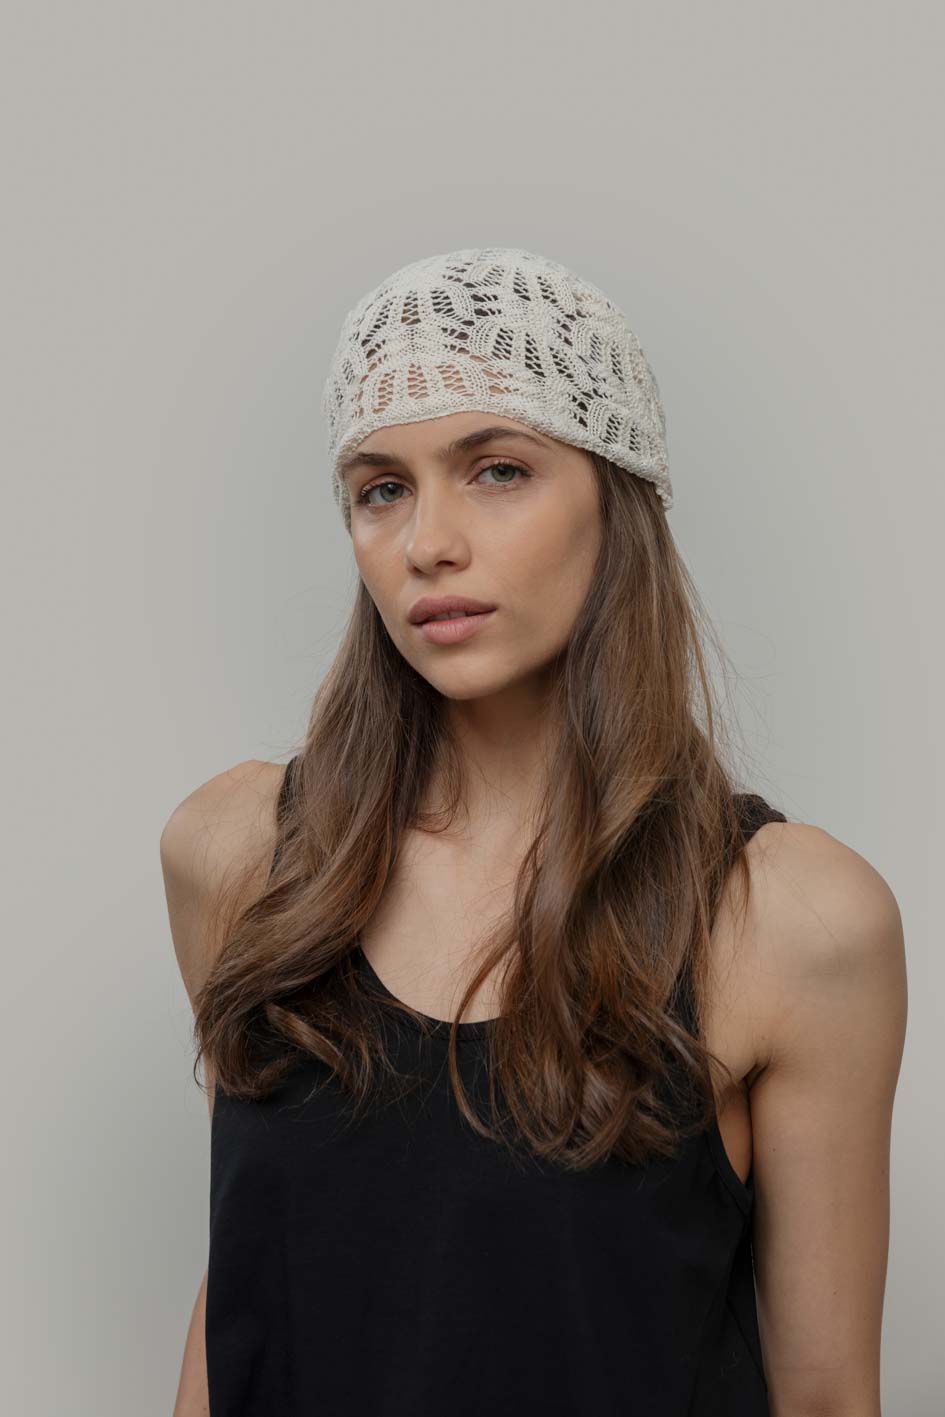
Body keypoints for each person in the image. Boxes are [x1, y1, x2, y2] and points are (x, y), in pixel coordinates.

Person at [160, 247, 907, 1416]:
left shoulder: (792, 922)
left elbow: (823, 1396)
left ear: (618, 496)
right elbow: (247, 1295)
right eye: (381, 488)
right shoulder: (239, 854)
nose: (428, 542)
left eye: (498, 469)